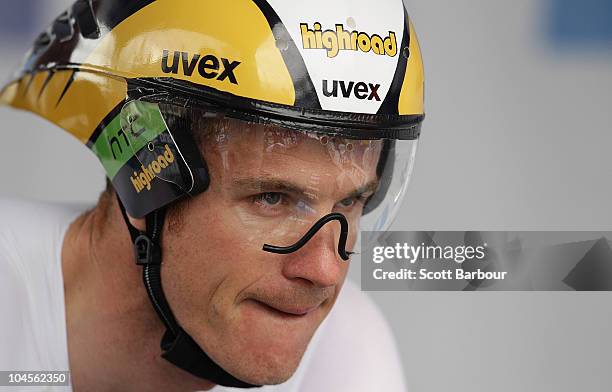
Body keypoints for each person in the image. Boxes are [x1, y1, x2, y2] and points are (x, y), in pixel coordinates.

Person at [0, 0, 425, 390]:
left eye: (349, 202)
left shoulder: (344, 349)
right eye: (273, 199)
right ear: (145, 173)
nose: (325, 272)